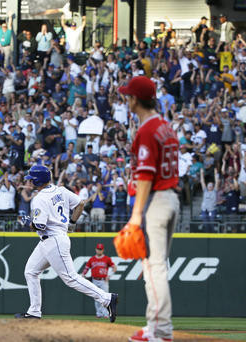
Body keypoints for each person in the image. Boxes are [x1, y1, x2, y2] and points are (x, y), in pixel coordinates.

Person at [117, 76, 179, 342]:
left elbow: (144, 175)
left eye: (128, 96)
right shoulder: (165, 125)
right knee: (155, 266)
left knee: (154, 268)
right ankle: (156, 326)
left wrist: (135, 215)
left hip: (155, 200)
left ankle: (160, 330)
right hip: (170, 197)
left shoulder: (146, 130)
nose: (126, 99)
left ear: (135, 100)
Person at [14, 164, 118, 321]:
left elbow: (39, 225)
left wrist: (27, 221)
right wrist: (72, 223)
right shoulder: (60, 190)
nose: (30, 182)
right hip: (51, 239)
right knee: (30, 271)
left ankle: (107, 299)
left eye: (31, 179)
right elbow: (81, 203)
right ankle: (34, 312)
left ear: (36, 181)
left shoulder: (39, 198)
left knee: (71, 278)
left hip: (53, 239)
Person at [81, 243, 117, 318]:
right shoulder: (92, 259)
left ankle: (106, 314)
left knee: (105, 297)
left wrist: (109, 275)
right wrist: (83, 275)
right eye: (98, 249)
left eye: (100, 249)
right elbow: (86, 268)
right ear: (96, 249)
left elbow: (114, 267)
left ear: (103, 250)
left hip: (104, 281)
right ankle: (99, 314)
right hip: (94, 280)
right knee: (96, 297)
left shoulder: (107, 259)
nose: (99, 251)